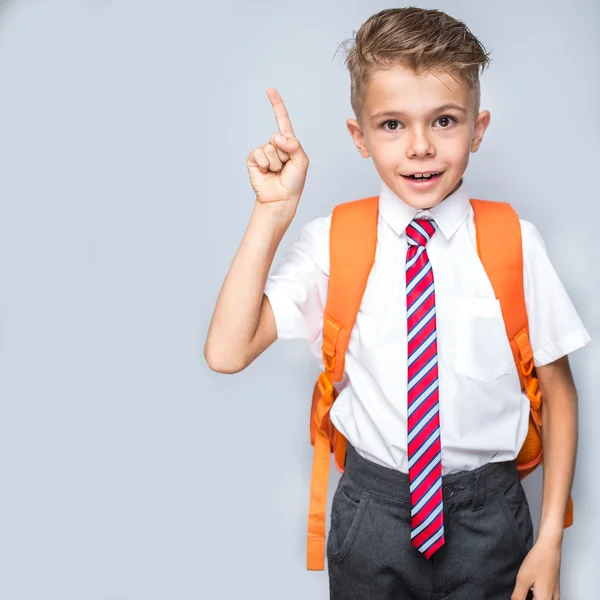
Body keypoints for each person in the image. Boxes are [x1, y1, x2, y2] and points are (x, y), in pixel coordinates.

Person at [204, 7, 590, 599]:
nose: (419, 148)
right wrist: (272, 212)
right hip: (373, 515)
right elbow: (227, 351)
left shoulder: (515, 241)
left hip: (491, 517)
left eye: (444, 121)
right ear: (359, 137)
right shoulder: (335, 241)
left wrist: (550, 542)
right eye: (391, 125)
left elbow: (559, 392)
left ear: (478, 129)